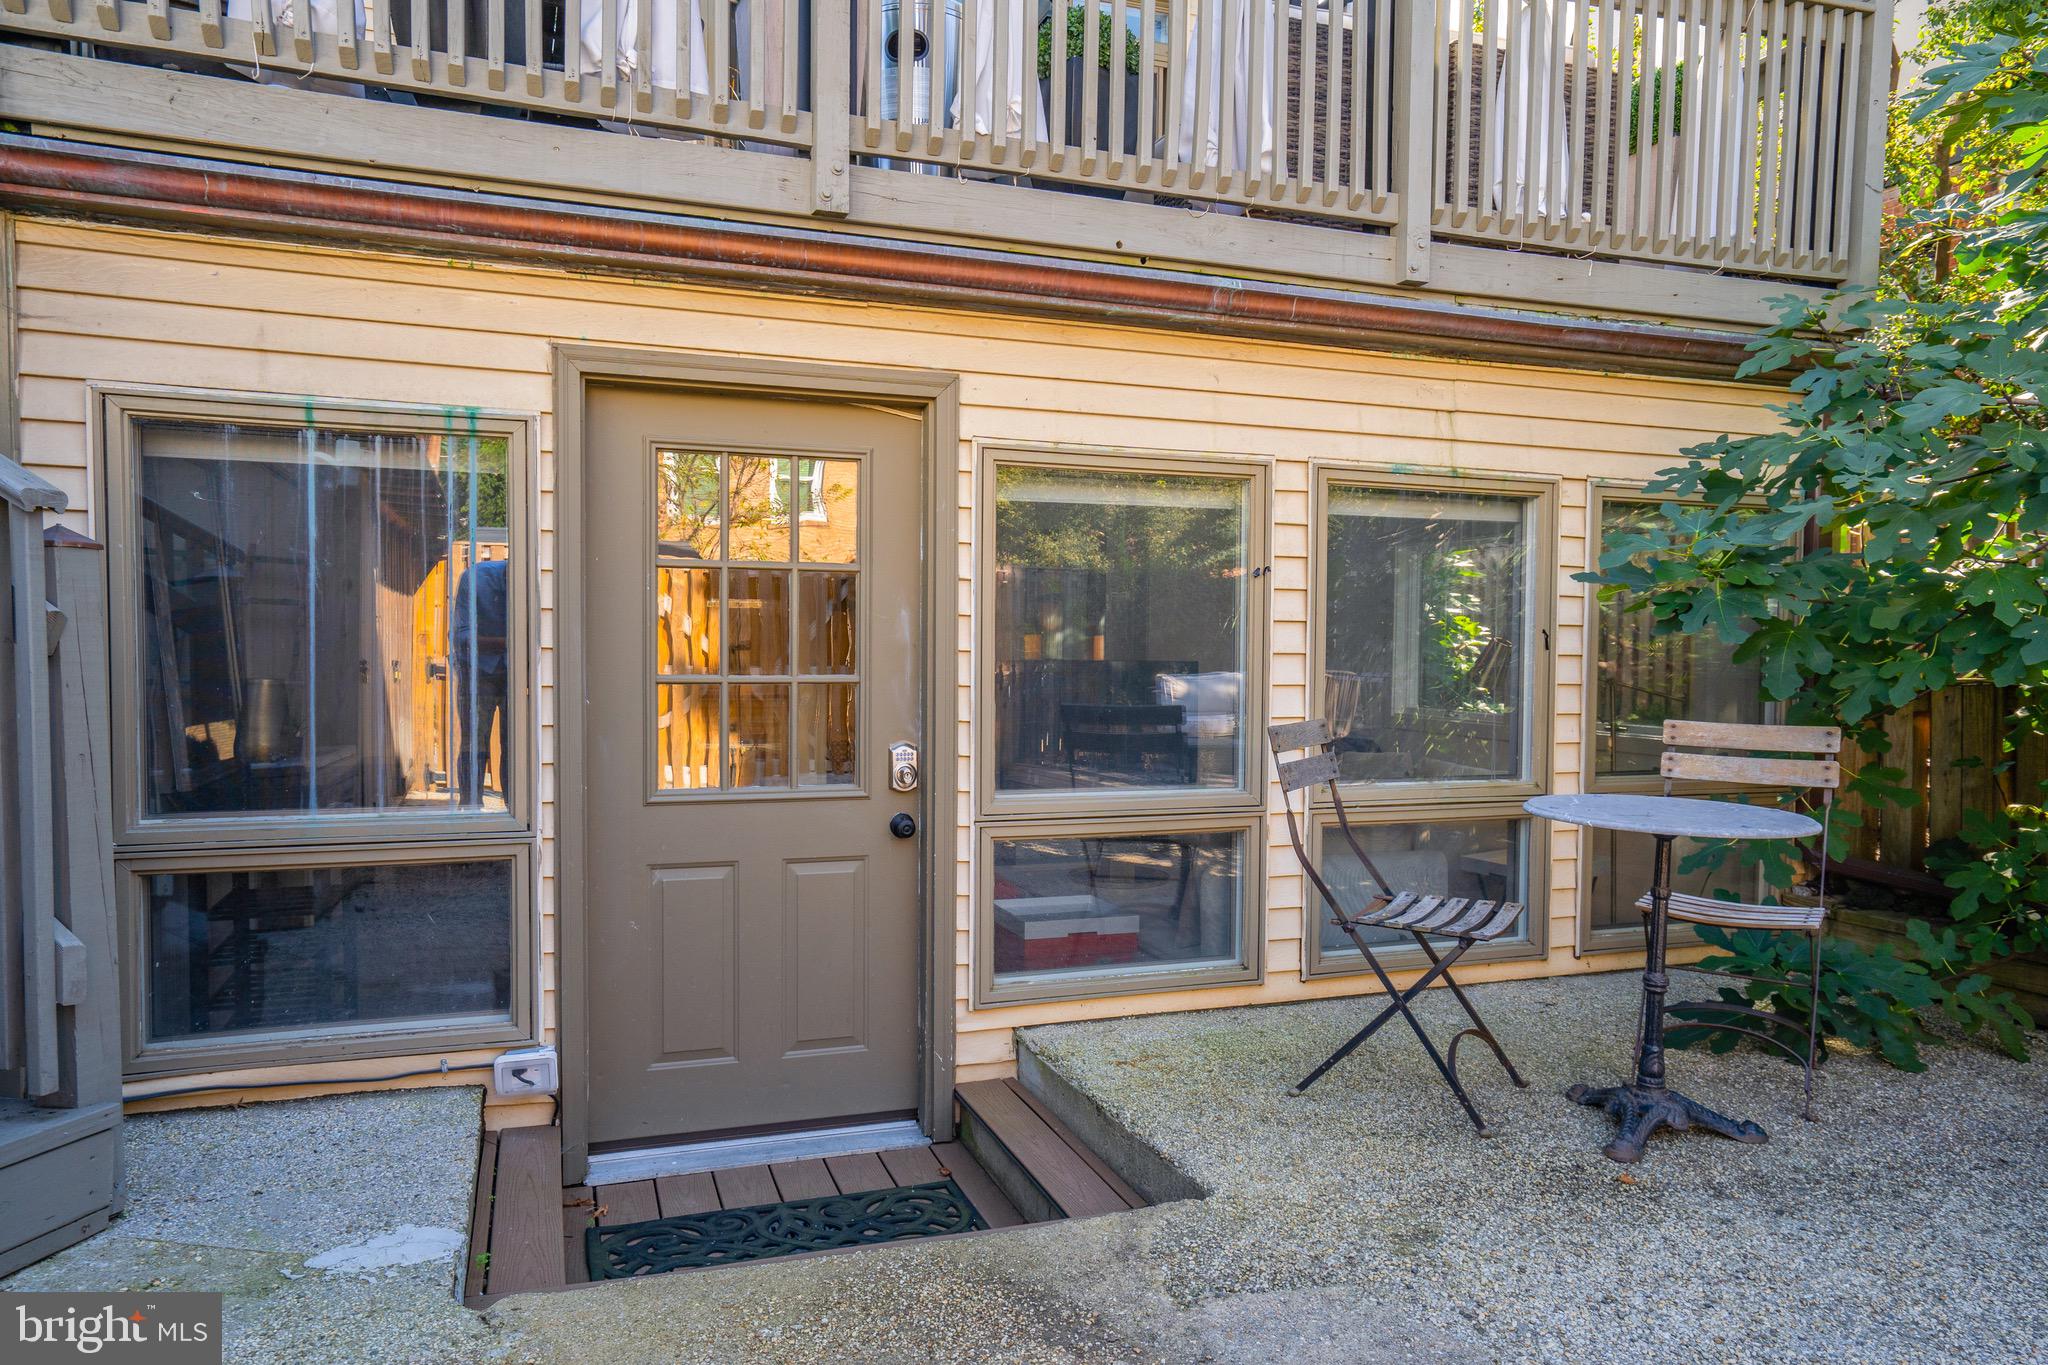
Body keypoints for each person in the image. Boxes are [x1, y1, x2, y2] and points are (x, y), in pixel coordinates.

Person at [452, 556, 509, 808]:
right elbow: (463, 636)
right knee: (473, 744)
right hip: (476, 672)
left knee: (515, 746)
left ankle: (515, 809)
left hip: (516, 674)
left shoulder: (531, 582)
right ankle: (470, 808)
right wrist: (510, 641)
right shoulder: (474, 578)